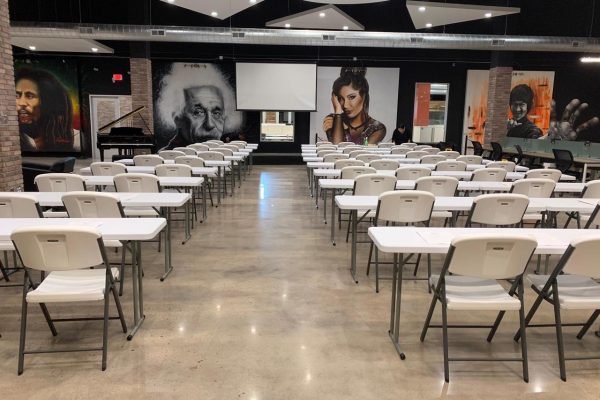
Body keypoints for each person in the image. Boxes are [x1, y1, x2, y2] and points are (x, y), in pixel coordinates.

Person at [155, 63, 243, 149]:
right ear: (178, 119)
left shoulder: (224, 154)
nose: (210, 124)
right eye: (198, 112)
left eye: (216, 113)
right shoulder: (168, 156)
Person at [15, 67, 78, 152]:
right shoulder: (19, 139)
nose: (21, 103)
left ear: (48, 101)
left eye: (30, 96)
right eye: (17, 96)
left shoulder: (76, 140)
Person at [322, 67, 386, 145]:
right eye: (340, 98)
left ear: (364, 96)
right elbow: (337, 148)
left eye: (352, 97)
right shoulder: (332, 120)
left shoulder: (377, 127)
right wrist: (338, 113)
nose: (345, 105)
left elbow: (363, 153)